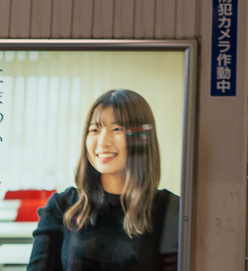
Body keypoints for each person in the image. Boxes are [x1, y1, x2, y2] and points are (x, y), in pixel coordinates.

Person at [28, 89, 179, 271]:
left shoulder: (172, 210)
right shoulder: (62, 207)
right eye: (94, 130)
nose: (103, 142)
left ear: (141, 139)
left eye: (117, 129)